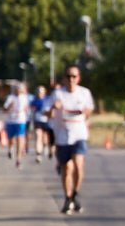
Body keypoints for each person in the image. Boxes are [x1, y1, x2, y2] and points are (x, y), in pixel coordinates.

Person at [49, 65, 95, 215]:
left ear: (78, 78)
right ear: (64, 78)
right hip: (62, 136)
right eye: (68, 76)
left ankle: (75, 194)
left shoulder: (84, 93)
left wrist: (85, 112)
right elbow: (47, 113)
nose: (71, 79)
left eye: (74, 76)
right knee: (66, 169)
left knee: (78, 165)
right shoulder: (58, 94)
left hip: (79, 134)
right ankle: (68, 198)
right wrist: (53, 108)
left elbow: (89, 109)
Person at [2, 81, 32, 168]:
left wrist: (26, 113)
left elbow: (28, 109)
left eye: (20, 88)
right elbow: (4, 110)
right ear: (15, 89)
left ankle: (18, 159)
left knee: (20, 138)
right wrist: (9, 106)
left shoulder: (25, 98)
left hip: (21, 121)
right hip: (11, 121)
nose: (19, 90)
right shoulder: (10, 98)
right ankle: (10, 148)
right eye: (17, 88)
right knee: (11, 140)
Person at [32, 84, 54, 163]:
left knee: (45, 138)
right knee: (38, 136)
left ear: (44, 92)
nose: (40, 93)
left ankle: (46, 146)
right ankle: (38, 155)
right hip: (38, 121)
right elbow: (32, 111)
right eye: (38, 91)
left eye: (41, 91)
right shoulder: (34, 100)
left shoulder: (48, 99)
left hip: (46, 121)